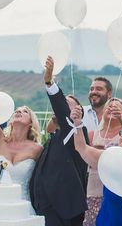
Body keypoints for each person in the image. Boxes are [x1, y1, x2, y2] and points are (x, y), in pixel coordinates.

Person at [30, 56, 89, 226]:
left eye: (66, 104)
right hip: (45, 208)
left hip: (65, 210)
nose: (62, 106)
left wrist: (49, 82)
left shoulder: (77, 132)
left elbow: (64, 113)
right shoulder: (54, 137)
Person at [0, 65, 42, 207]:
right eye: (17, 110)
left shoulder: (37, 149)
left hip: (23, 208)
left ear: (31, 123)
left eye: (25, 111)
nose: (19, 112)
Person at [83, 97, 122, 226]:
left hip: (117, 188)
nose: (112, 108)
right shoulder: (92, 134)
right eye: (109, 106)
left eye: (117, 107)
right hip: (94, 189)